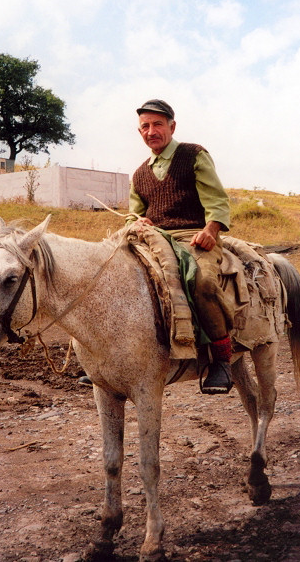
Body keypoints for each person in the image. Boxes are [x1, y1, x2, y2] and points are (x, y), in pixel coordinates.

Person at [127, 99, 234, 394]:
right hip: (156, 240)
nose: (151, 131)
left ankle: (222, 360)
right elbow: (132, 215)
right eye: (145, 126)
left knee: (202, 283)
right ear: (140, 133)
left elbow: (217, 200)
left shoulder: (194, 155)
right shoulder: (138, 175)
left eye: (158, 124)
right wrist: (137, 224)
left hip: (196, 236)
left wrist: (211, 229)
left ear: (172, 127)